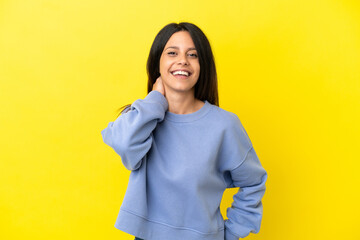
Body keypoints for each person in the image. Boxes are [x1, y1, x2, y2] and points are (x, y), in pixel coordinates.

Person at [101, 22, 267, 240]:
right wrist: (154, 100)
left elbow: (253, 181)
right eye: (172, 53)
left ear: (203, 65)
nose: (182, 61)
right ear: (157, 63)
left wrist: (232, 232)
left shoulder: (224, 125)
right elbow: (124, 146)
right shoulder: (141, 118)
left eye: (193, 54)